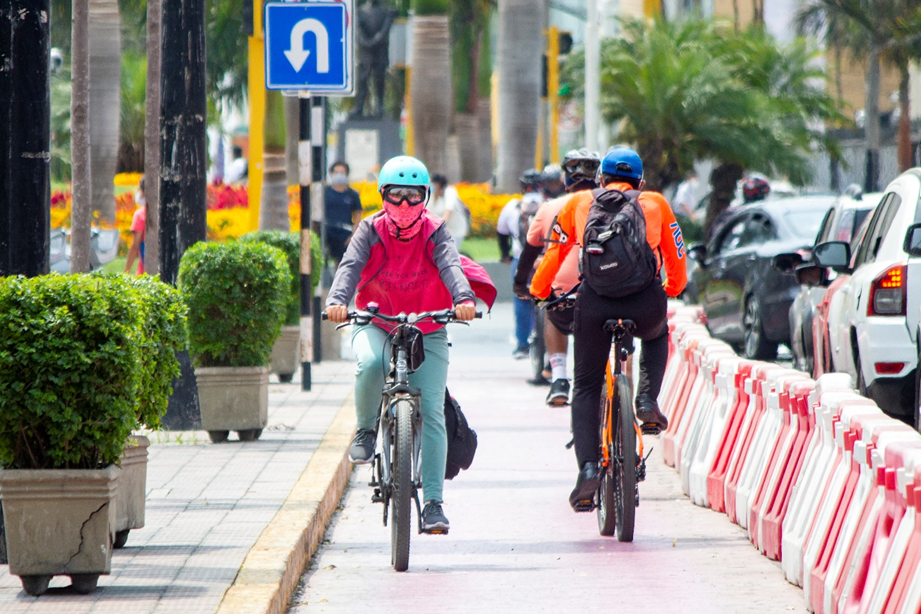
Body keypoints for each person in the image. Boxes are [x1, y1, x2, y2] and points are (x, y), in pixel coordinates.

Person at [529, 146, 687, 511]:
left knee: (586, 386)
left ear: (600, 179)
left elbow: (554, 253)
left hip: (595, 303)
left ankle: (588, 468)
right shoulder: (656, 204)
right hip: (644, 302)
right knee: (656, 334)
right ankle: (646, 399)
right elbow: (676, 255)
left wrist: (539, 292)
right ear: (640, 183)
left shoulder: (579, 202)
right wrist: (672, 288)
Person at [325, 155, 476, 533]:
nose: (405, 204)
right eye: (396, 195)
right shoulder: (369, 229)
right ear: (382, 195)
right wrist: (337, 301)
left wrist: (463, 298)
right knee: (371, 364)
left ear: (426, 196)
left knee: (433, 410)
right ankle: (365, 430)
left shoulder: (436, 230)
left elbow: (451, 265)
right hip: (376, 322)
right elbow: (349, 267)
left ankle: (434, 503)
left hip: (429, 326)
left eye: (413, 195)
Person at [514, 149, 600, 405]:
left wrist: (520, 284)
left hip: (565, 290)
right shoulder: (613, 203)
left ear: (566, 179)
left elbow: (529, 251)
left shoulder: (550, 207)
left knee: (553, 310)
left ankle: (559, 377)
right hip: (607, 287)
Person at [497, 169, 544, 359]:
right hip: (545, 260)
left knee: (521, 299)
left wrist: (505, 255)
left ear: (522, 187)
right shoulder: (550, 204)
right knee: (549, 301)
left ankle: (522, 345)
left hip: (521, 260)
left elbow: (502, 233)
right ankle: (549, 347)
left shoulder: (511, 207)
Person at [322, 160, 363, 264]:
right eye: (336, 172)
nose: (339, 175)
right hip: (326, 233)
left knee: (342, 263)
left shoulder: (352, 194)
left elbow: (358, 214)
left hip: (344, 235)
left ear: (346, 174)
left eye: (342, 173)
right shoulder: (324, 192)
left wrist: (353, 235)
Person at [428, 173, 468, 251]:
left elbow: (447, 214)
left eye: (433, 184)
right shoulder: (431, 196)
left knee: (451, 253)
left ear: (438, 184)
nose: (431, 186)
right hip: (441, 232)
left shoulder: (450, 192)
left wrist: (435, 228)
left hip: (455, 231)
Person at [124, 177, 147, 275]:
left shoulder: (140, 215)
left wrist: (126, 271)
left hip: (144, 274)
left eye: (139, 189)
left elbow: (135, 246)